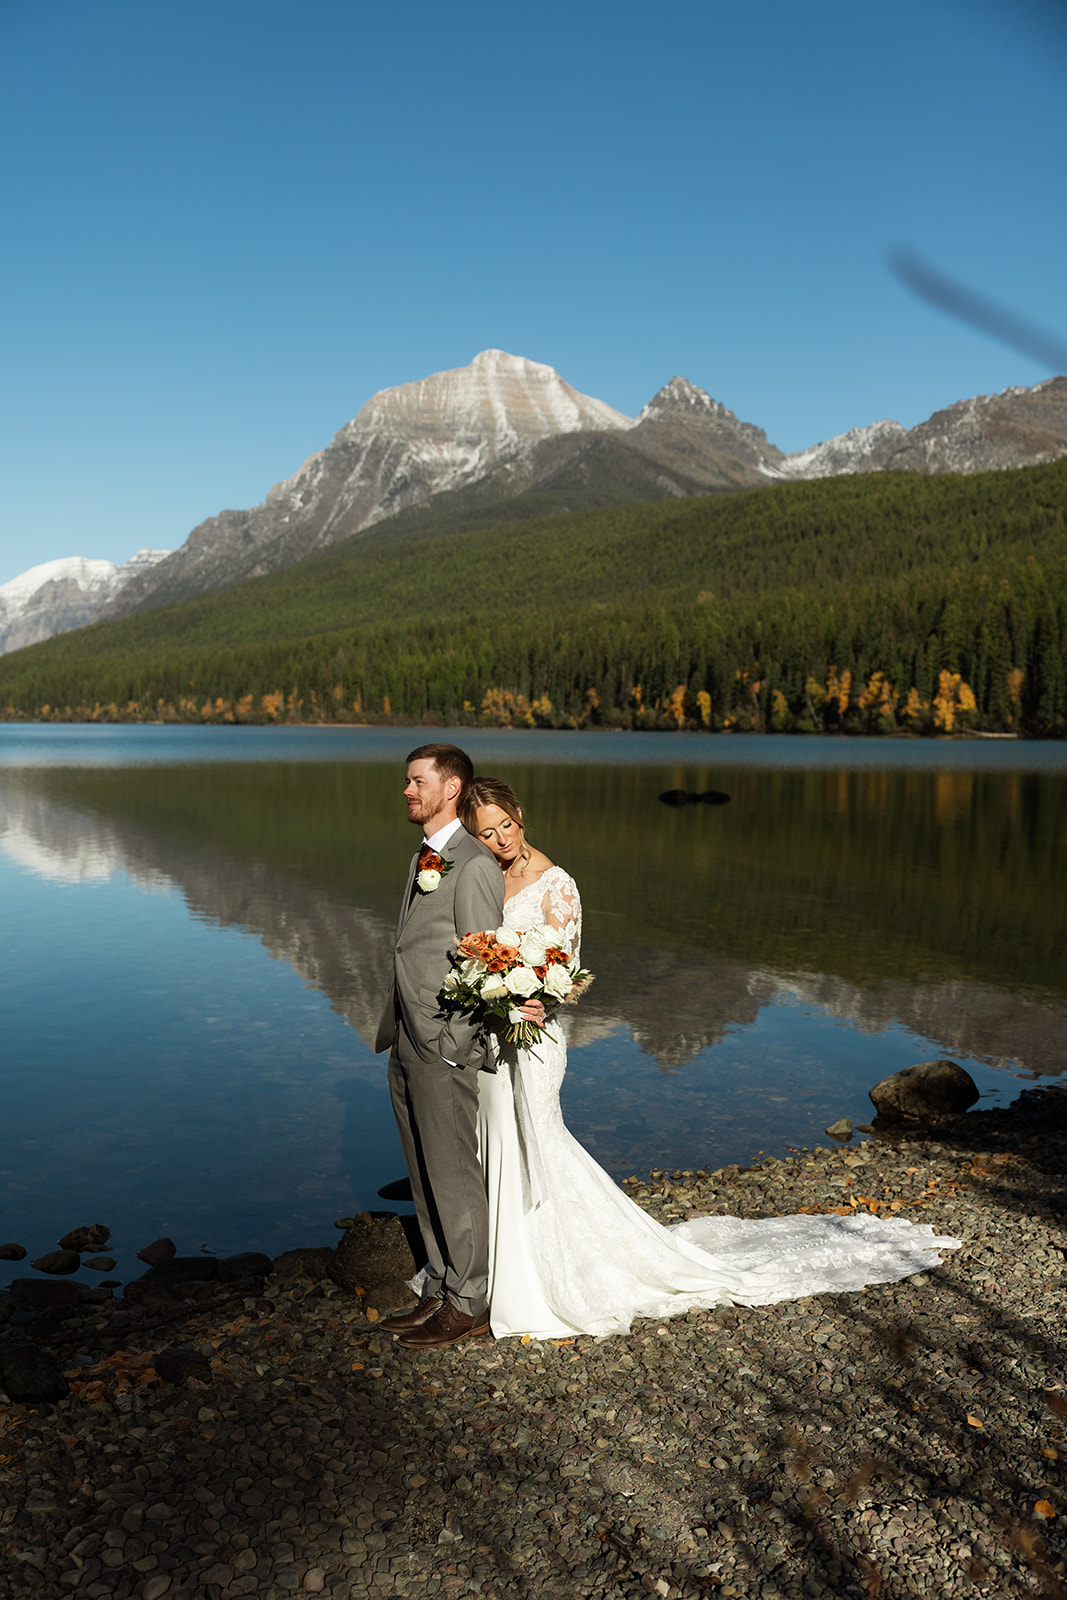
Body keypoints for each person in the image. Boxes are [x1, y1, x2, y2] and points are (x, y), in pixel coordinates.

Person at [457, 776, 961, 1340]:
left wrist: (531, 996)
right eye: (486, 832)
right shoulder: (482, 876)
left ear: (521, 815)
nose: (501, 839)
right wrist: (484, 988)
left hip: (536, 1037)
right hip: (494, 1035)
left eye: (506, 825)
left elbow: (564, 969)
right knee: (498, 1138)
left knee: (540, 1142)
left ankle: (547, 1277)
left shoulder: (557, 884)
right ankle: (499, 1268)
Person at [373, 744, 506, 1350]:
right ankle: (442, 1285)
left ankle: (472, 1298)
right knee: (423, 1170)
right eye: (407, 781)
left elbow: (487, 963)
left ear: (450, 788)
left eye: (416, 781)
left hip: (442, 1041)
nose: (407, 790)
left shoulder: (474, 864)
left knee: (453, 1171)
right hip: (406, 1033)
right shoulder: (428, 855)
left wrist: (456, 1045)